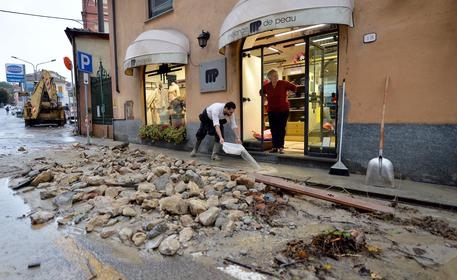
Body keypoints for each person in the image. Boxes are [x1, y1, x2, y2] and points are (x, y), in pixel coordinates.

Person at [261, 69, 296, 154]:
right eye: (274, 75)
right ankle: (274, 147)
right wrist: (265, 98)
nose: (276, 76)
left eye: (276, 75)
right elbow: (261, 92)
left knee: (281, 128)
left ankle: (281, 147)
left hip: (283, 110)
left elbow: (294, 88)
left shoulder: (283, 83)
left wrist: (288, 95)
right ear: (269, 77)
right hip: (272, 110)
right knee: (273, 129)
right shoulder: (267, 86)